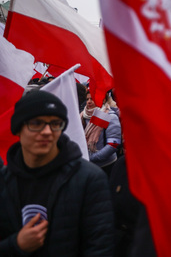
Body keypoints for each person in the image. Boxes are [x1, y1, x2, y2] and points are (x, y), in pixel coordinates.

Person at [0, 90, 113, 255]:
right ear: (18, 129)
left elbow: (100, 248)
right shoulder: (3, 181)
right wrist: (16, 244)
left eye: (55, 123)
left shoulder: (90, 179)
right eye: (36, 123)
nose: (47, 131)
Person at [81, 91, 122, 176]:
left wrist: (91, 158)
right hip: (87, 165)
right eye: (87, 99)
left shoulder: (109, 116)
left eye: (92, 99)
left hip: (105, 166)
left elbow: (113, 145)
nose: (89, 101)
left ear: (102, 100)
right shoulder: (82, 115)